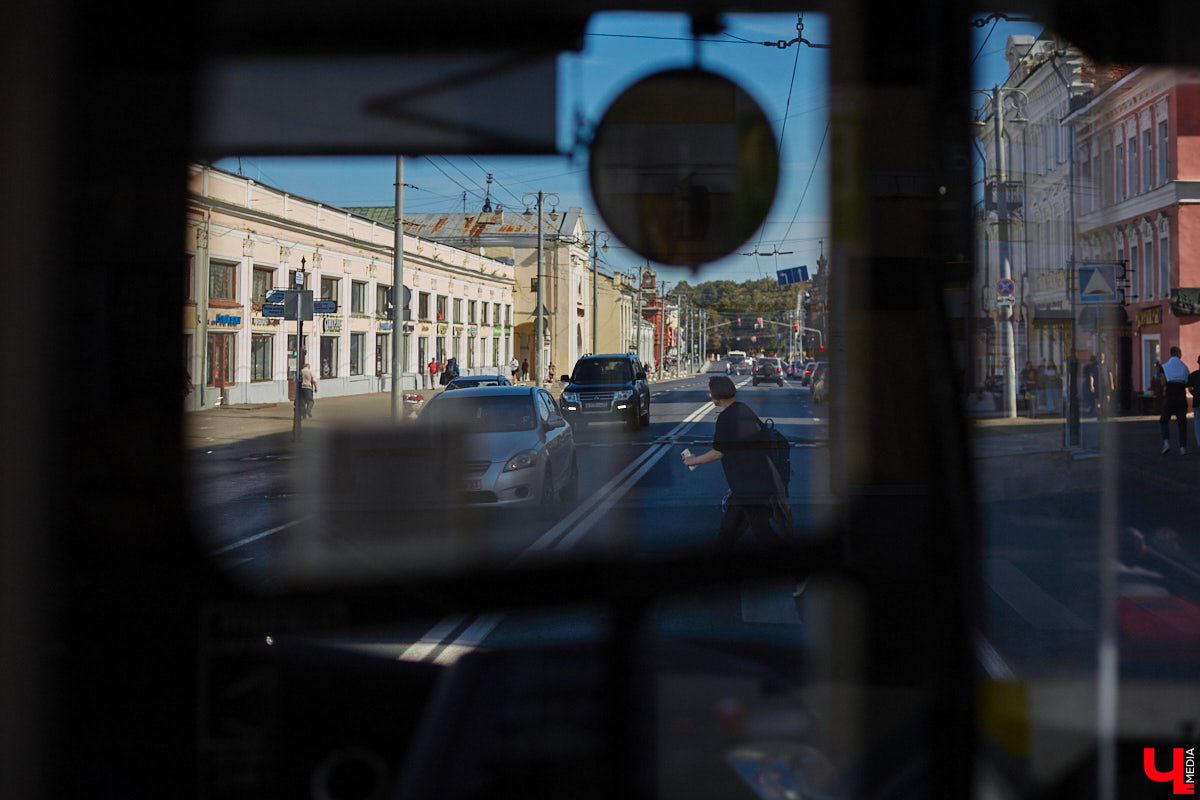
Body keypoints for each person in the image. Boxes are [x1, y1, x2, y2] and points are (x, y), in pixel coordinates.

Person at [681, 374, 806, 596]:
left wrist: (694, 461)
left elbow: (719, 452)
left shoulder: (726, 419)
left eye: (710, 392)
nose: (709, 396)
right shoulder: (743, 409)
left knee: (763, 534)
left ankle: (799, 572)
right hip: (750, 484)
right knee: (728, 530)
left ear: (717, 396)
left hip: (752, 487)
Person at [1160, 346, 1189, 455]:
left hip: (1170, 395)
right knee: (1182, 423)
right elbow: (1187, 381)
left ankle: (1166, 443)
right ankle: (1182, 448)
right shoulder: (1184, 366)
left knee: (1164, 419)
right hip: (1181, 395)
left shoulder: (1165, 366)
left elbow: (1163, 382)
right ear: (1178, 354)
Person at [1189, 355, 1200, 449]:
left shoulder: (1193, 375)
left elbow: (1190, 389)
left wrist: (1194, 394)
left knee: (1197, 423)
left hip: (1197, 401)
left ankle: (1199, 442)